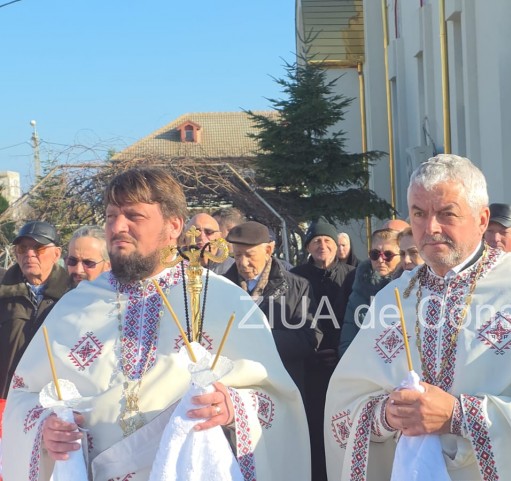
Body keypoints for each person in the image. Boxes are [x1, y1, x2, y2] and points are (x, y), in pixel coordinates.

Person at [1, 168, 310, 481]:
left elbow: (277, 400)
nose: (118, 227)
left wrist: (232, 408)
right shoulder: (73, 306)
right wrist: (44, 427)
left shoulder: (224, 300)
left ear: (174, 225)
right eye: (111, 216)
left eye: (134, 216)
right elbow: (23, 396)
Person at [325, 154, 511, 480]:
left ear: (482, 219)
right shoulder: (392, 299)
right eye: (419, 214)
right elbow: (344, 408)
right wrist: (389, 414)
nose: (431, 228)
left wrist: (458, 415)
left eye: (446, 213)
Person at [290, 217, 355, 481]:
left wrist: (338, 351)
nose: (323, 246)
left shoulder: (351, 274)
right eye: (317, 241)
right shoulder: (296, 277)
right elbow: (296, 317)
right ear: (308, 247)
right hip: (310, 364)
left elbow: (354, 317)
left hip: (342, 361)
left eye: (328, 240)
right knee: (314, 425)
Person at [222, 220, 316, 392]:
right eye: (237, 255)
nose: (242, 263)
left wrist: (259, 338)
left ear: (268, 250)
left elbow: (308, 339)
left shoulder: (298, 286)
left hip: (282, 384)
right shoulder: (223, 287)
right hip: (236, 387)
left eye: (249, 255)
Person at [0, 221, 72, 399]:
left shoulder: (71, 296)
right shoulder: (3, 293)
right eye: (22, 249)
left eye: (38, 248)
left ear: (56, 254)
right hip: (6, 395)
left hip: (50, 398)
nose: (29, 254)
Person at [338, 228, 401, 357]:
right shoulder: (358, 293)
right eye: (375, 254)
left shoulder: (411, 289)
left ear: (402, 255)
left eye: (388, 254)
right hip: (366, 366)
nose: (380, 260)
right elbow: (347, 342)